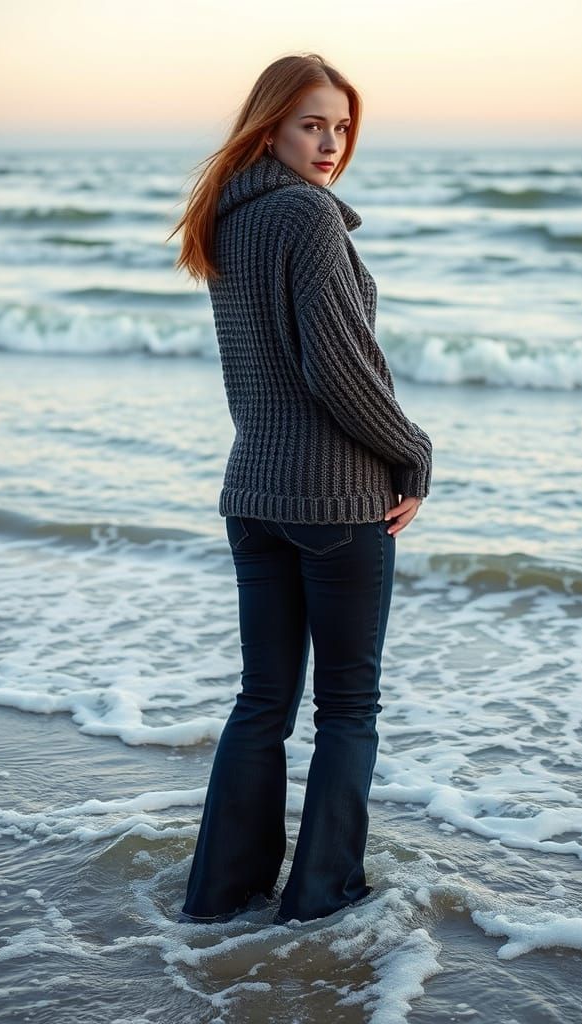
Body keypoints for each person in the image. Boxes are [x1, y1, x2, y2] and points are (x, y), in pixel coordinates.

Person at [167, 52, 432, 926]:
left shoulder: (228, 218)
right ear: (271, 124)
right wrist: (414, 452)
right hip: (336, 502)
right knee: (348, 709)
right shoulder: (308, 217)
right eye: (313, 124)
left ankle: (218, 894)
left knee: (262, 703)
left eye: (342, 127)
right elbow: (339, 372)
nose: (330, 143)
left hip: (253, 496)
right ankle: (320, 900)